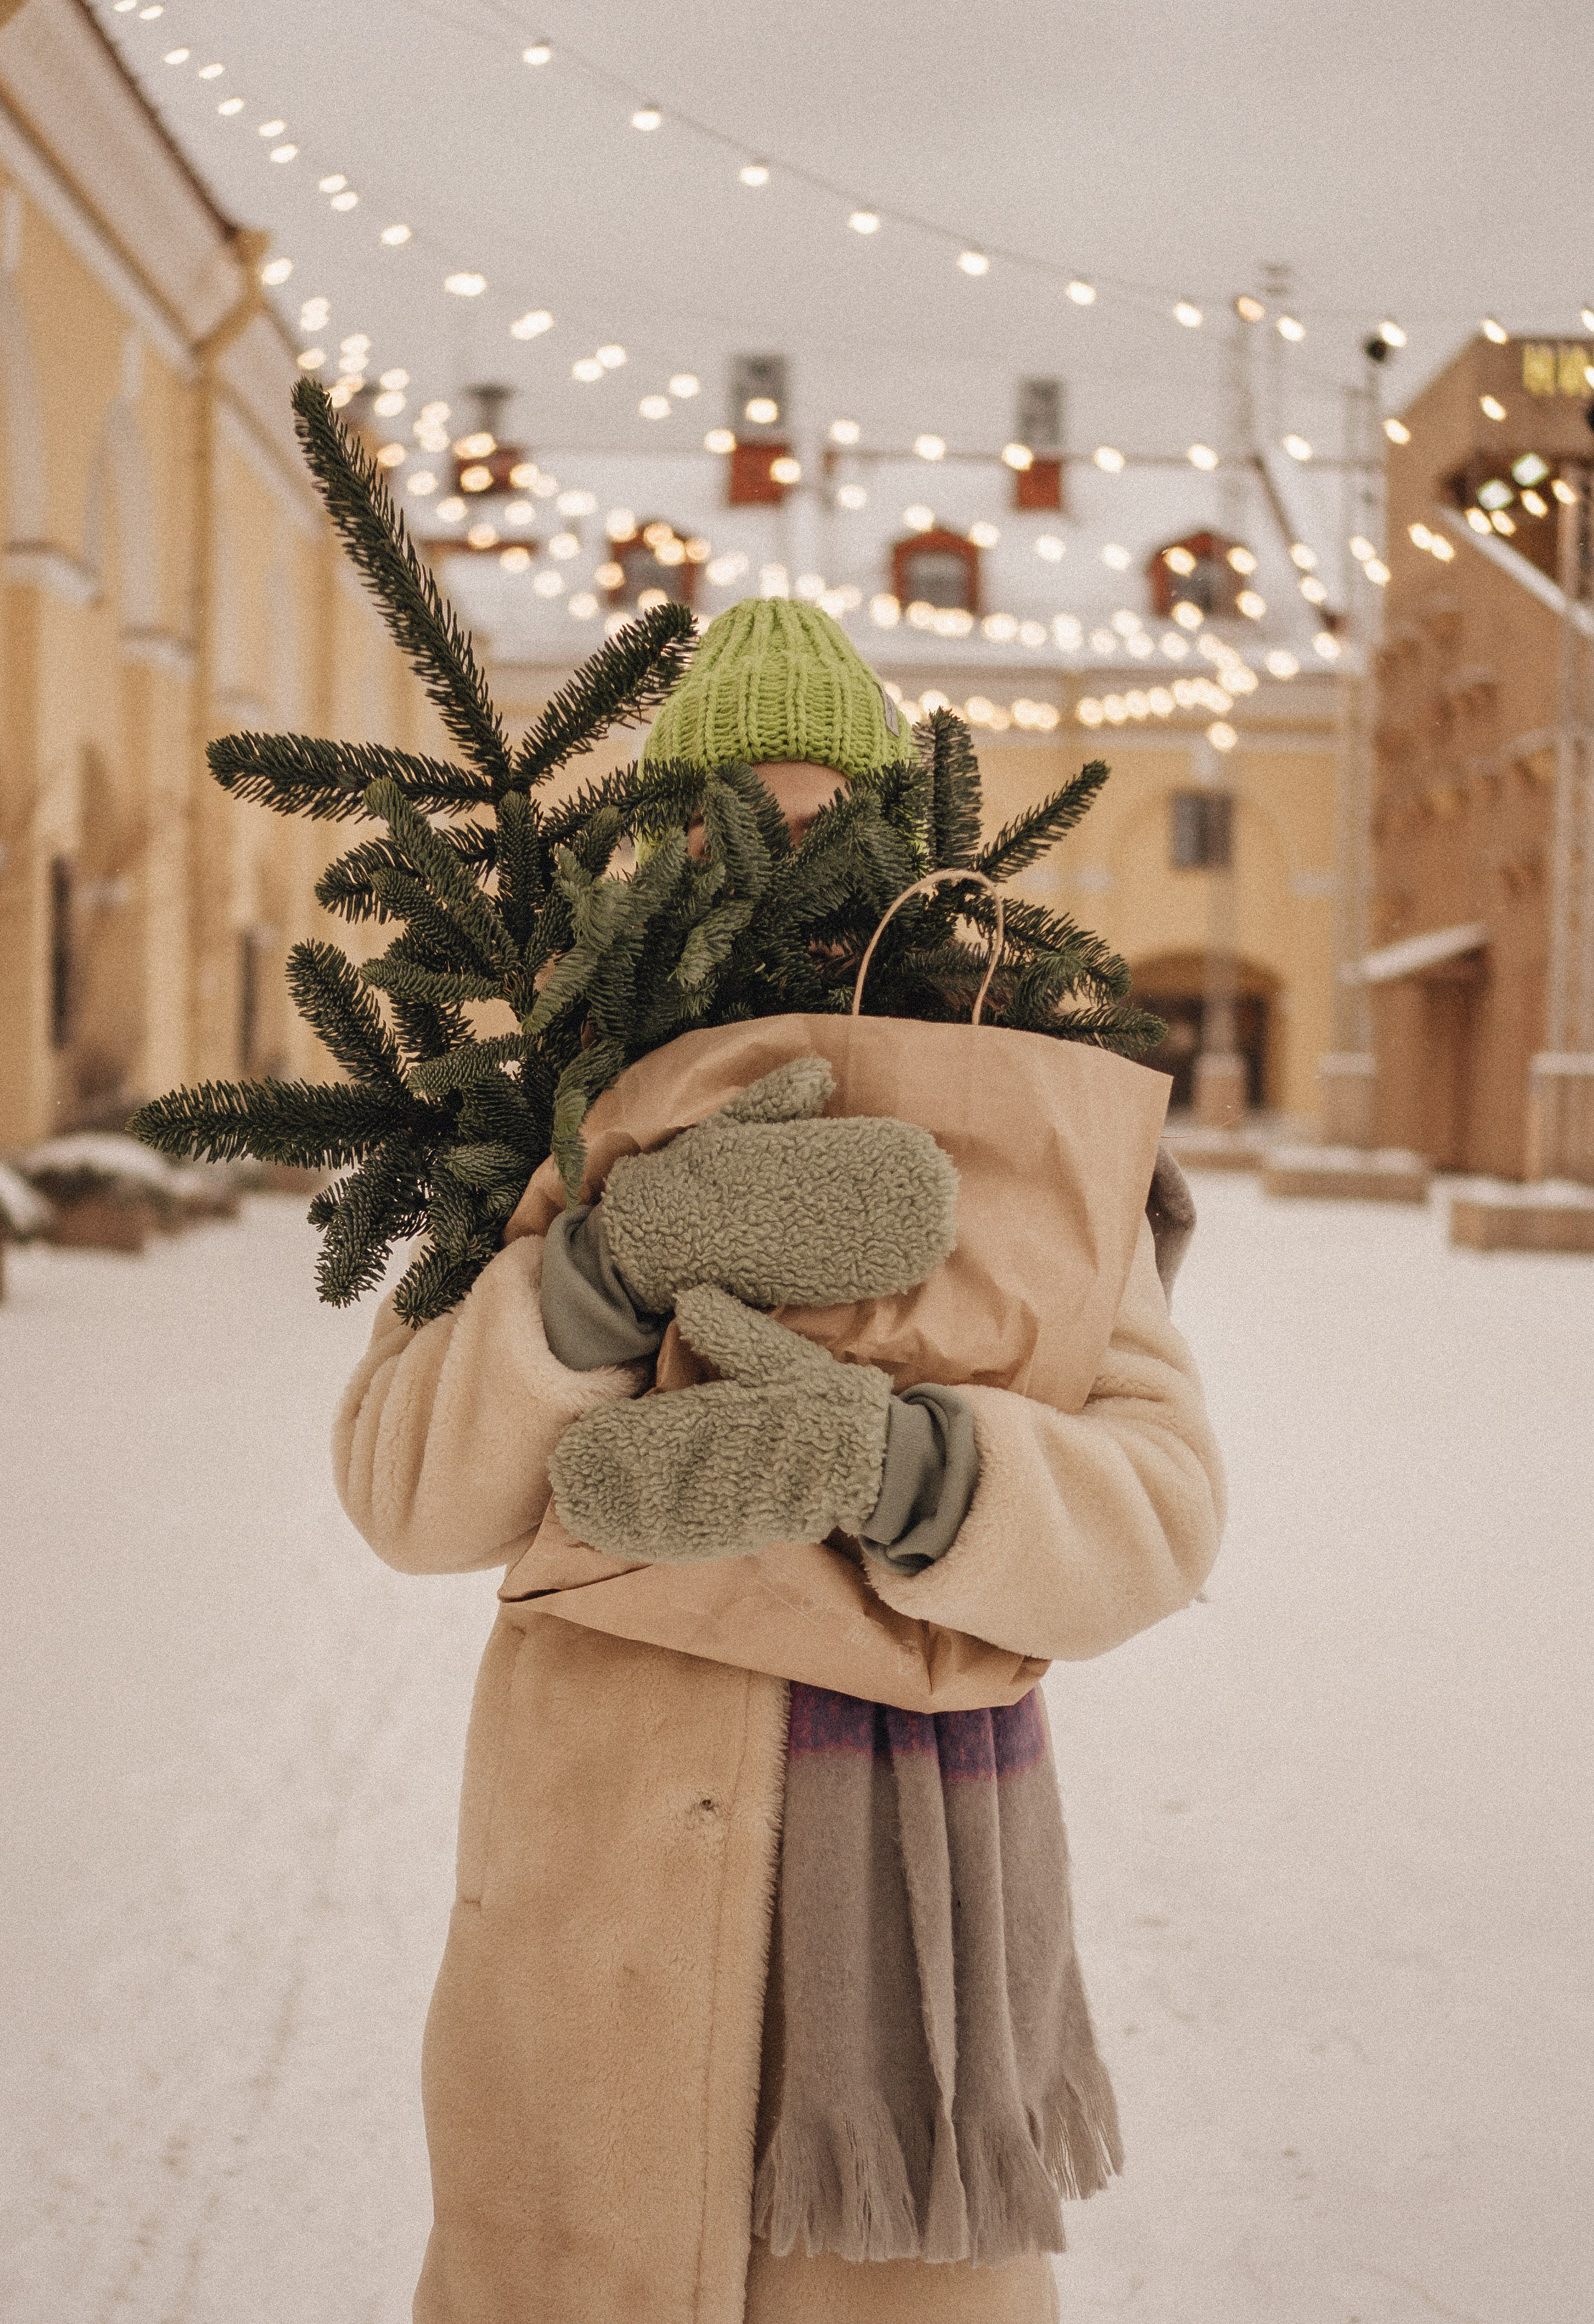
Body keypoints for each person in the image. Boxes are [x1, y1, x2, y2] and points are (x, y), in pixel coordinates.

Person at [334, 598, 1224, 2324]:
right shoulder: (552, 1118)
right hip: (589, 1900)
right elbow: (404, 1497)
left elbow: (1165, 1511)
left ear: (896, 850)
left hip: (902, 1933)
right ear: (658, 852)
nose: (777, 876)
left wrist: (900, 1466)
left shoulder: (1020, 1132)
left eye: (825, 830)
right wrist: (598, 1271)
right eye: (728, 825)